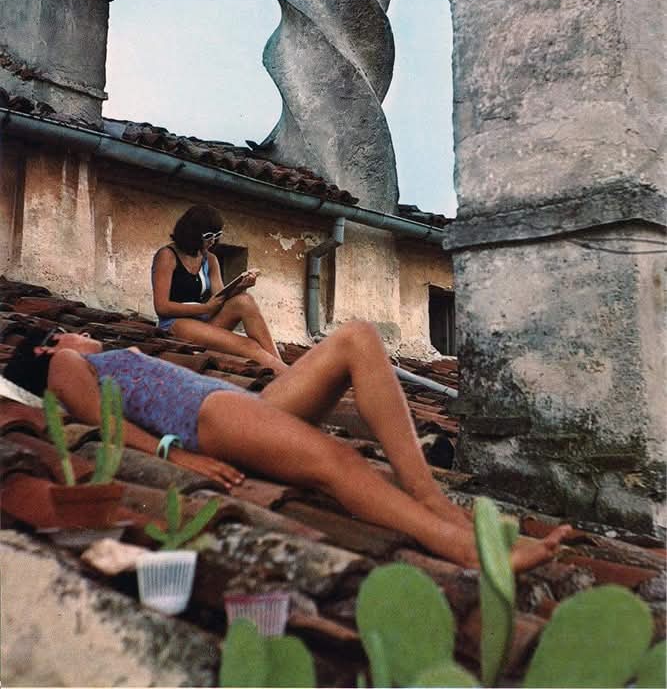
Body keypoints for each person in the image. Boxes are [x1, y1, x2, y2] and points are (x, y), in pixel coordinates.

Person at [4, 322, 571, 571]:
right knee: (336, 462)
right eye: (69, 338)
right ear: (51, 345)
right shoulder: (69, 363)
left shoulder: (88, 359)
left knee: (358, 338)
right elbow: (101, 420)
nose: (80, 338)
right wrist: (176, 454)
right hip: (207, 417)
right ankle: (461, 545)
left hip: (234, 404)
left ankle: (427, 492)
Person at [151, 204, 286, 374]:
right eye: (208, 236)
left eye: (217, 235)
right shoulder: (167, 256)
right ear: (192, 233)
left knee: (244, 301)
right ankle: (292, 378)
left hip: (206, 322)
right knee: (249, 346)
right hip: (176, 324)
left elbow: (220, 297)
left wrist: (240, 287)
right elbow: (161, 306)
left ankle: (281, 368)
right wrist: (205, 308)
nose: (213, 241)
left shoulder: (210, 259)